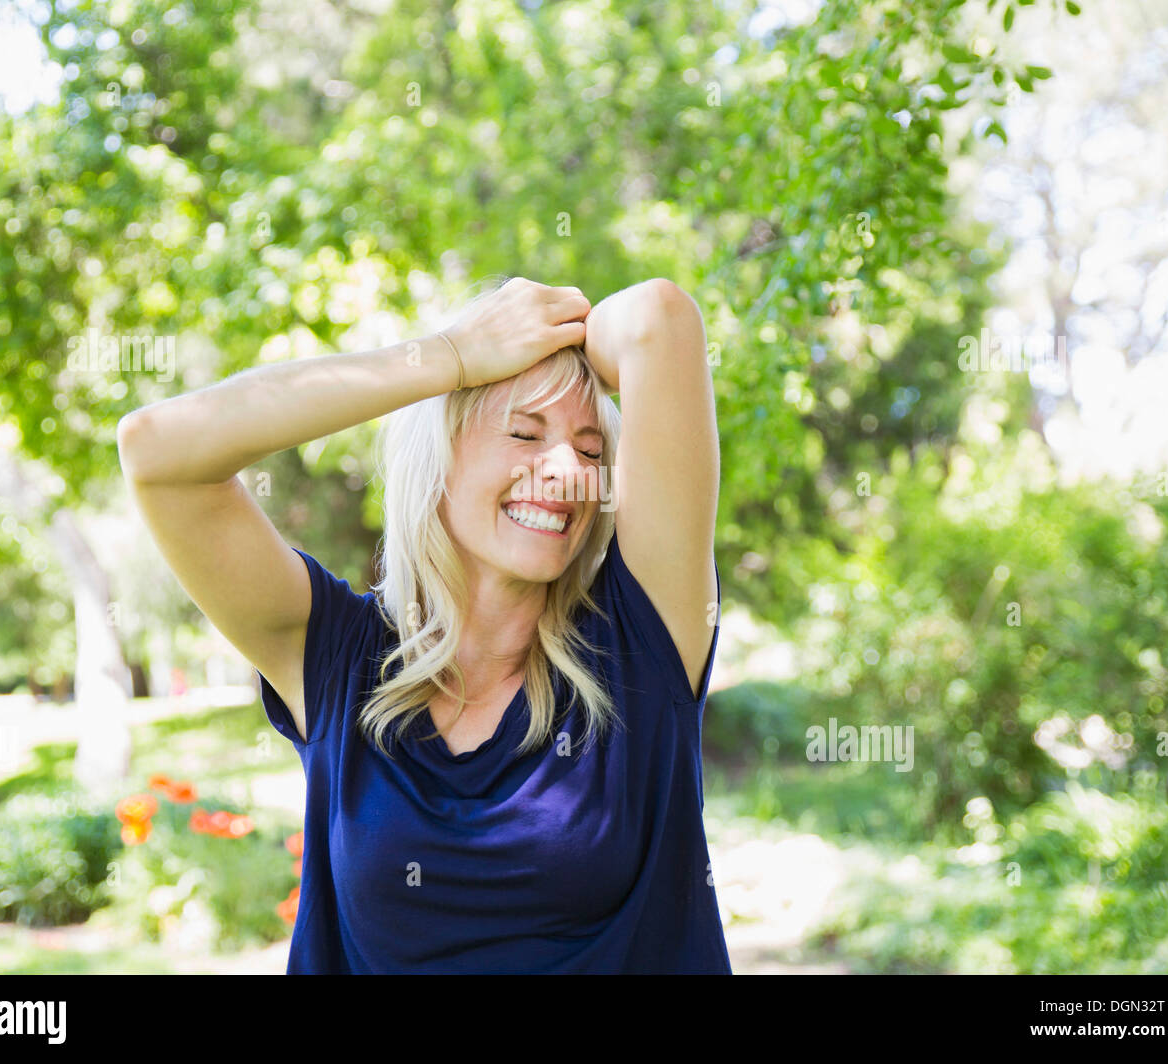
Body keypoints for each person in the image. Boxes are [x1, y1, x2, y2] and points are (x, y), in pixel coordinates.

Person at [117, 275, 729, 973]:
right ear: (437, 459)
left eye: (592, 452)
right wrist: (450, 356)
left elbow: (659, 317)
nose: (565, 471)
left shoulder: (640, 646)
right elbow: (156, 452)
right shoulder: (338, 662)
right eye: (524, 432)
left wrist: (560, 338)